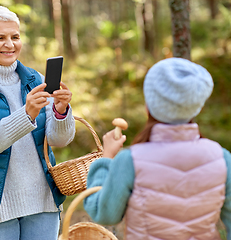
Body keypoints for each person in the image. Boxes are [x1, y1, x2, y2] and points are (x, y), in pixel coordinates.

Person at [0, 6, 75, 240]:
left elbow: (59, 139)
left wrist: (61, 110)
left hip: (43, 200)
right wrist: (26, 113)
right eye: (0, 38)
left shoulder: (36, 79)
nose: (10, 44)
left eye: (15, 37)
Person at [84, 57, 231, 239]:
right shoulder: (222, 158)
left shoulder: (129, 160)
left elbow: (103, 214)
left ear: (149, 106)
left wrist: (105, 159)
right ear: (196, 106)